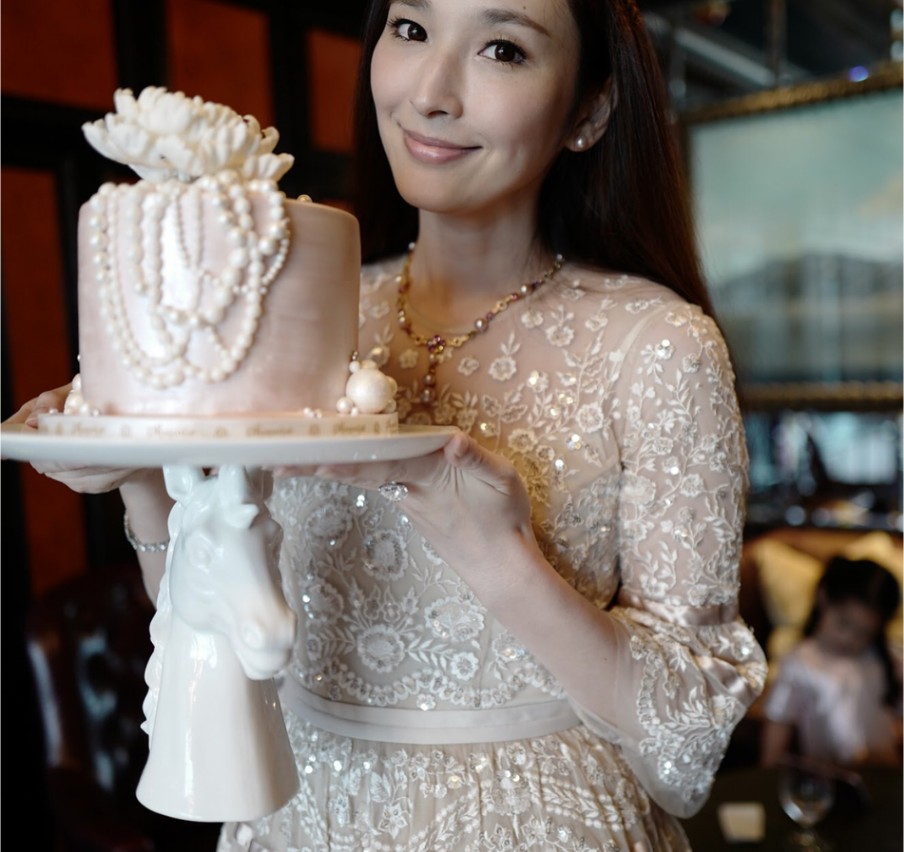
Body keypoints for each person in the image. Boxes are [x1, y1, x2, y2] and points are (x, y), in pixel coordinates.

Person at [8, 0, 767, 848]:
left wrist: (501, 559)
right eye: (411, 29)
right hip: (297, 818)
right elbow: (218, 636)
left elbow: (687, 750)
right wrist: (144, 474)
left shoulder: (659, 346)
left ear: (589, 109)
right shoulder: (293, 306)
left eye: (502, 49)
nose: (431, 93)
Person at [760, 556, 902, 770]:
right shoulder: (799, 664)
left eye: (864, 632)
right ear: (823, 597)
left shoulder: (886, 659)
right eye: (843, 623)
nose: (849, 638)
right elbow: (776, 734)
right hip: (830, 779)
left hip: (885, 776)